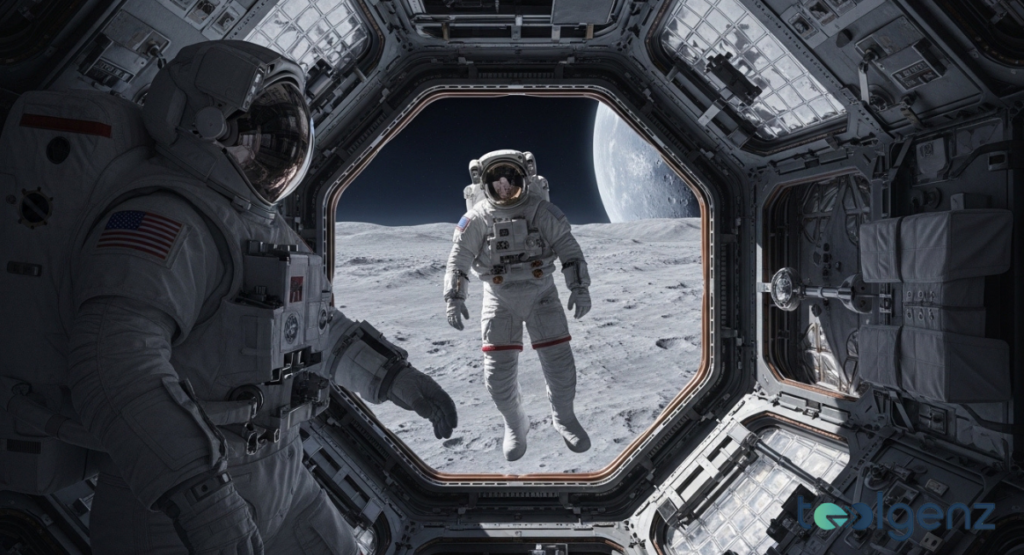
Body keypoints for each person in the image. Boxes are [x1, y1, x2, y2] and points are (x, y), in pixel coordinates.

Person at [67, 41, 457, 554]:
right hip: (178, 508)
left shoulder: (255, 224)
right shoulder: (164, 218)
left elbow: (315, 326)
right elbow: (113, 363)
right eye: (262, 137)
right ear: (202, 125)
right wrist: (201, 497)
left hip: (280, 474)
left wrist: (395, 379)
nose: (278, 153)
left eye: (285, 139)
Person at [443, 150, 592, 462]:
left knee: (560, 367)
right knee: (497, 378)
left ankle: (564, 418)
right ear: (485, 184)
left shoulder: (540, 210)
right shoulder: (478, 217)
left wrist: (579, 287)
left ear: (521, 180)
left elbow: (567, 247)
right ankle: (516, 424)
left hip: (542, 294)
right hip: (499, 298)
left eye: (509, 180)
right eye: (497, 182)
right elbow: (459, 258)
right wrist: (454, 298)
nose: (504, 187)